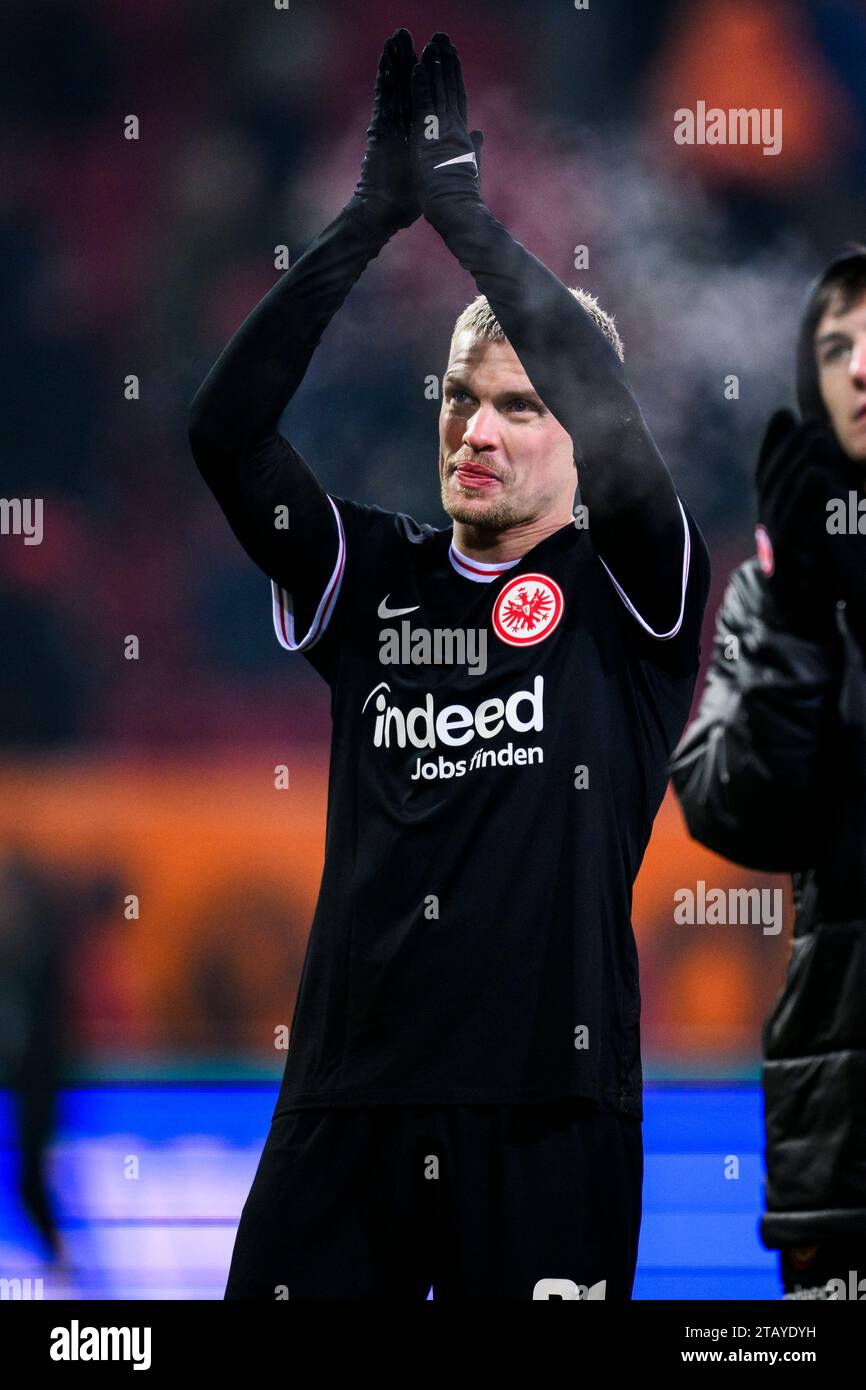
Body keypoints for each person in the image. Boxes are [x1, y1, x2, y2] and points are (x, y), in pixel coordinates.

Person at [189, 29, 710, 1300]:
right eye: (456, 399)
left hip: (549, 1116)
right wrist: (370, 222)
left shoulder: (631, 589)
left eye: (520, 406)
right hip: (347, 1105)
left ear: (578, 436)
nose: (476, 430)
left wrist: (465, 217)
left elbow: (605, 399)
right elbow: (224, 430)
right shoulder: (371, 581)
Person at [669, 248, 866, 1299]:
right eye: (834, 348)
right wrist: (796, 620)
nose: (859, 370)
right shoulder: (774, 587)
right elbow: (728, 808)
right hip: (841, 1137)